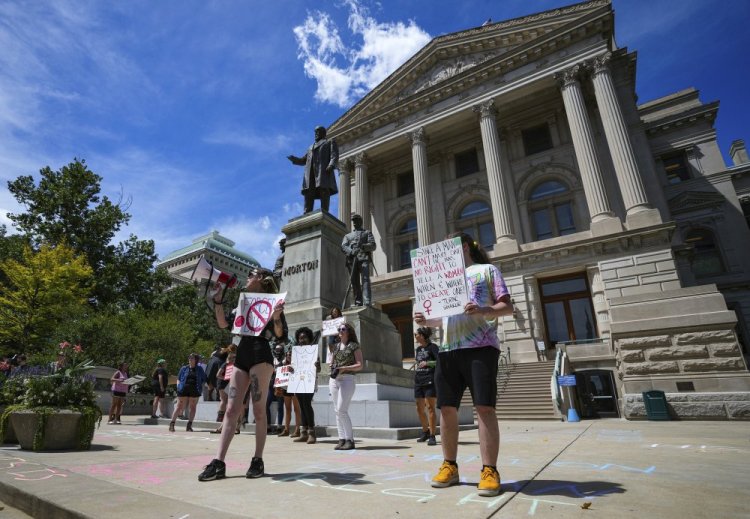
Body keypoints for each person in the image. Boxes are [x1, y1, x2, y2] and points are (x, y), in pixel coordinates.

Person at [413, 233, 512, 497]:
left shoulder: (486, 270)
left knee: (484, 408)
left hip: (480, 346)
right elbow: (442, 320)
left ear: (464, 247)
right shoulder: (443, 279)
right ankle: (450, 465)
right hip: (447, 350)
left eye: (448, 248)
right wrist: (426, 320)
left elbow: (506, 306)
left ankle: (489, 470)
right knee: (446, 409)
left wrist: (483, 310)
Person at [199, 266, 287, 482]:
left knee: (258, 410)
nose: (248, 276)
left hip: (261, 353)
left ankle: (257, 459)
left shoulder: (272, 302)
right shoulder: (244, 302)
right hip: (243, 352)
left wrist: (276, 316)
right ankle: (218, 462)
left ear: (262, 280)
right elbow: (223, 323)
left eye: (252, 274)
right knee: (231, 409)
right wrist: (218, 300)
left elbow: (280, 334)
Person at [327, 322, 363, 450]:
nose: (340, 331)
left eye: (343, 329)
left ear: (349, 332)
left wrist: (343, 368)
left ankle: (350, 440)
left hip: (347, 379)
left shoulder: (354, 346)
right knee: (337, 411)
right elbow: (331, 362)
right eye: (339, 329)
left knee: (342, 410)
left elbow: (360, 365)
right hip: (334, 380)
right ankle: (341, 439)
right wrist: (332, 366)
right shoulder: (335, 347)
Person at [287, 125, 339, 214]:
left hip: (323, 170)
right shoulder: (310, 147)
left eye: (318, 132)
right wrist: (295, 159)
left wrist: (331, 165)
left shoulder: (329, 142)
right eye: (315, 132)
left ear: (323, 133)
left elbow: (334, 155)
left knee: (324, 190)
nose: (316, 134)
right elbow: (304, 160)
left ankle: (324, 211)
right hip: (310, 173)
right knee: (308, 193)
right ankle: (307, 211)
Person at [289, 327, 321, 445]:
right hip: (297, 381)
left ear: (309, 338)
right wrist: (290, 368)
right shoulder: (295, 352)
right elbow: (292, 367)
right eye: (300, 338)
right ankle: (303, 432)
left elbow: (319, 368)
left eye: (304, 337)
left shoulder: (313, 351)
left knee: (307, 404)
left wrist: (317, 366)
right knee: (301, 405)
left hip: (309, 381)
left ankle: (312, 432)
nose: (302, 340)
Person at [341, 214, 376, 307]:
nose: (355, 222)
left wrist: (363, 246)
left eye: (357, 220)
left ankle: (367, 301)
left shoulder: (367, 233)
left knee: (365, 280)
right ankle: (358, 302)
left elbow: (373, 245)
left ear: (361, 222)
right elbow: (343, 246)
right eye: (354, 221)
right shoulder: (348, 236)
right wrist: (352, 251)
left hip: (363, 258)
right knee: (354, 281)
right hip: (351, 260)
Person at [413, 327, 440, 446]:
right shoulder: (418, 349)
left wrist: (428, 363)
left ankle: (433, 435)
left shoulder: (433, 347)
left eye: (416, 334)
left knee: (430, 408)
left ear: (422, 336)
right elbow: (418, 362)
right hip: (419, 380)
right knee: (419, 408)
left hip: (430, 380)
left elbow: (440, 361)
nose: (415, 336)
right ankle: (425, 431)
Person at [169, 353, 207, 432]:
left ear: (196, 360)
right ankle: (172, 424)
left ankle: (189, 425)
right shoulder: (184, 368)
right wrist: (178, 387)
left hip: (195, 390)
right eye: (189, 358)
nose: (190, 359)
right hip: (183, 389)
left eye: (192, 358)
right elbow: (178, 378)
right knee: (179, 406)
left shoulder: (199, 369)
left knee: (192, 407)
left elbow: (204, 379)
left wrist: (201, 387)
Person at [266, 342, 286, 434]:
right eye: (276, 350)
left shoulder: (285, 360)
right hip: (271, 386)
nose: (278, 352)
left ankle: (279, 426)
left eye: (279, 350)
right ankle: (268, 425)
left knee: (280, 406)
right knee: (266, 404)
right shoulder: (272, 360)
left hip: (280, 386)